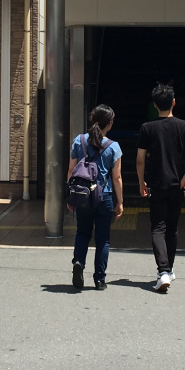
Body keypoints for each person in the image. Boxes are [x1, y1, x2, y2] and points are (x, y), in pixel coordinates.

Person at [136, 83, 185, 294]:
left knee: (158, 228)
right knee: (172, 228)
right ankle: (169, 269)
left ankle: (163, 271)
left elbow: (139, 160)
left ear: (155, 105)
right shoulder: (184, 126)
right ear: (174, 102)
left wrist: (140, 181)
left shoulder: (147, 128)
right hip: (176, 185)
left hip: (156, 183)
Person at [68, 104, 123, 291]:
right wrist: (120, 202)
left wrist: (71, 196)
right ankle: (99, 279)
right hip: (104, 196)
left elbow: (71, 169)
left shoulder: (79, 141)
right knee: (103, 240)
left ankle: (79, 263)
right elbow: (117, 177)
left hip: (82, 195)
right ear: (109, 123)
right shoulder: (113, 146)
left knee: (82, 233)